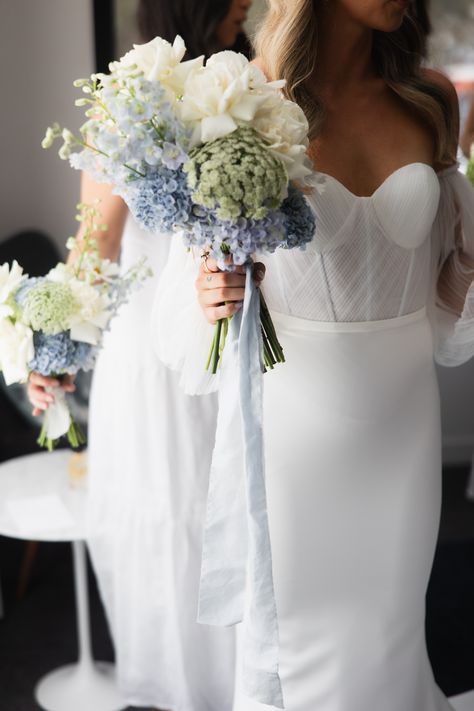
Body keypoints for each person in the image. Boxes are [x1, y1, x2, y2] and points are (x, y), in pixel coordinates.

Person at [158, 0, 474, 709]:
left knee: (392, 623)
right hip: (296, 421)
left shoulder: (429, 101)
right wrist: (213, 287)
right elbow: (194, 277)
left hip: (404, 418)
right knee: (301, 632)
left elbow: (448, 284)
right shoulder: (248, 101)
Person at [28, 1, 252, 710]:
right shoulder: (124, 100)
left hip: (243, 338)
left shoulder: (258, 83)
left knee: (245, 516)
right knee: (172, 513)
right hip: (154, 367)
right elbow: (92, 253)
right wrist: (53, 344)